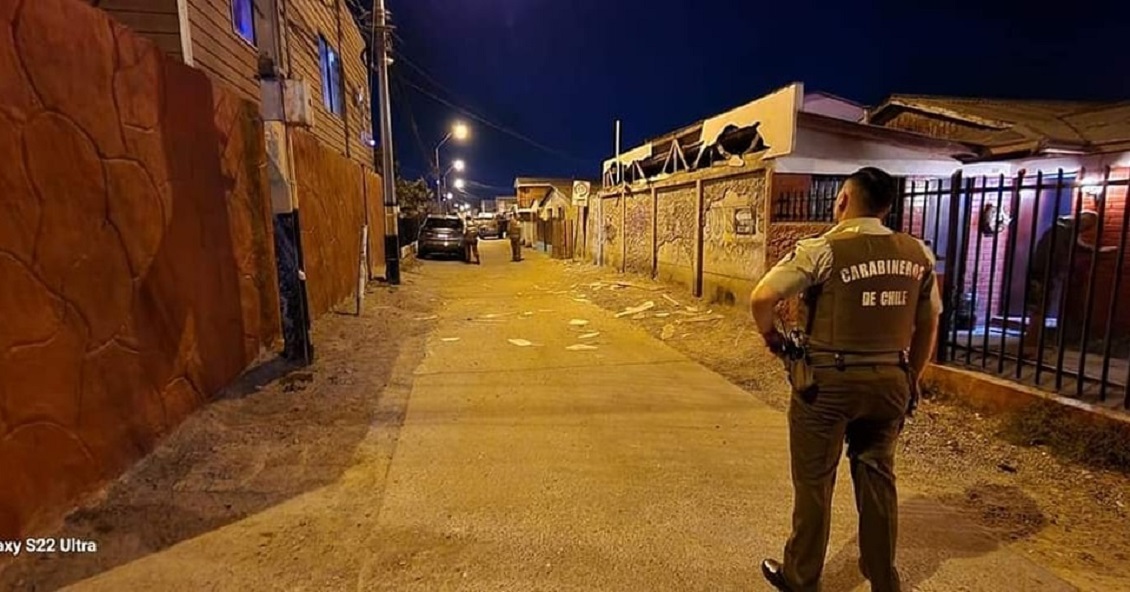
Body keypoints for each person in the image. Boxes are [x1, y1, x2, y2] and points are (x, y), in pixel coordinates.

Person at [749, 167, 942, 592]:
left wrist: (773, 339)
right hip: (890, 381)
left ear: (842, 200)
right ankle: (883, 578)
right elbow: (929, 323)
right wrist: (911, 377)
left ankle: (801, 577)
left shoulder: (823, 249)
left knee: (815, 483)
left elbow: (763, 296)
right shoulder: (919, 254)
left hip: (827, 386)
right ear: (886, 207)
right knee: (878, 478)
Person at [1022, 209, 1114, 355]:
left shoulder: (1064, 228)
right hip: (1043, 272)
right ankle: (1031, 343)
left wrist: (1099, 251)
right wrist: (1063, 268)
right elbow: (1067, 250)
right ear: (1083, 221)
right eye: (1087, 226)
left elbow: (1078, 247)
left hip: (1041, 271)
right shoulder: (1064, 231)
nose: (1085, 230)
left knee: (1039, 307)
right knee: (1039, 308)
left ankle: (1033, 340)